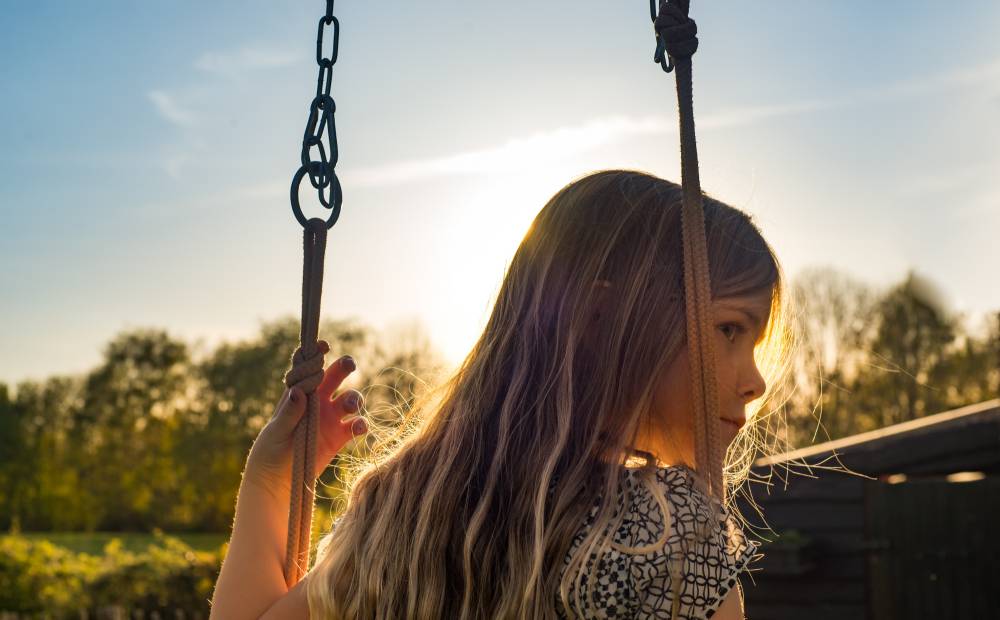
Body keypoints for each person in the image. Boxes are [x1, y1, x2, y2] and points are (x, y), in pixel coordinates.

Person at [211, 169, 793, 619]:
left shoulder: (401, 513)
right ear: (598, 317)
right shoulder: (667, 531)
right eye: (729, 331)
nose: (755, 380)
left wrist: (272, 481)